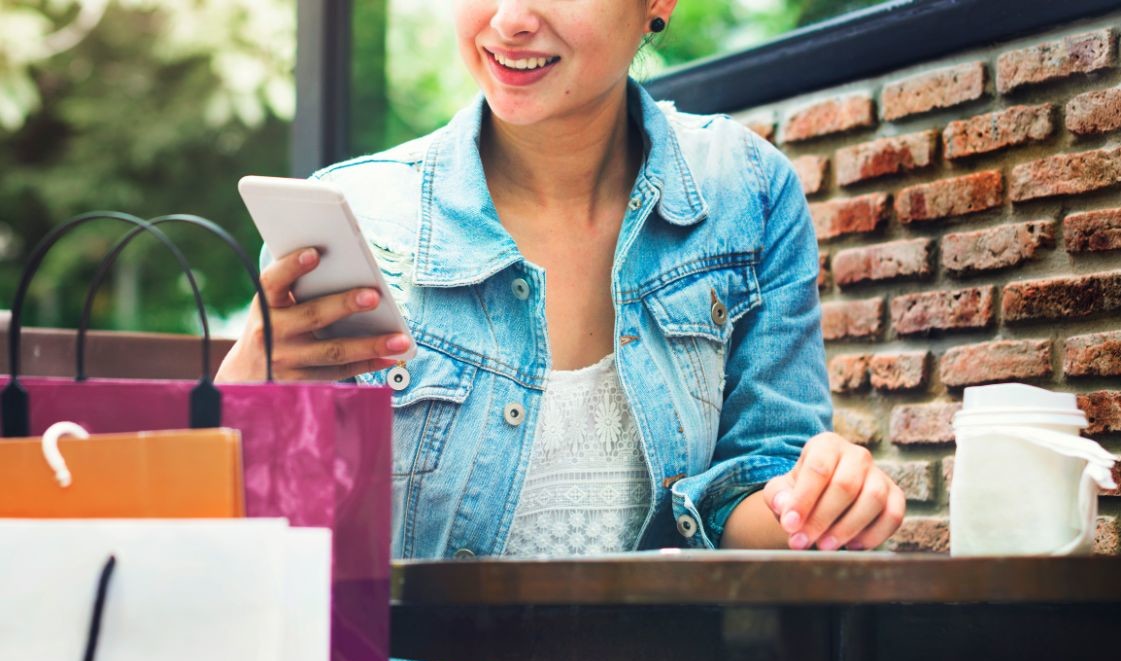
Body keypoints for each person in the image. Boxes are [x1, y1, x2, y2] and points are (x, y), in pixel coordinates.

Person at [217, 0, 904, 558]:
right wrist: (244, 396)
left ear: (656, 5)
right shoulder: (360, 214)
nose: (510, 19)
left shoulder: (745, 193)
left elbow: (752, 491)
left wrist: (816, 502)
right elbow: (284, 538)